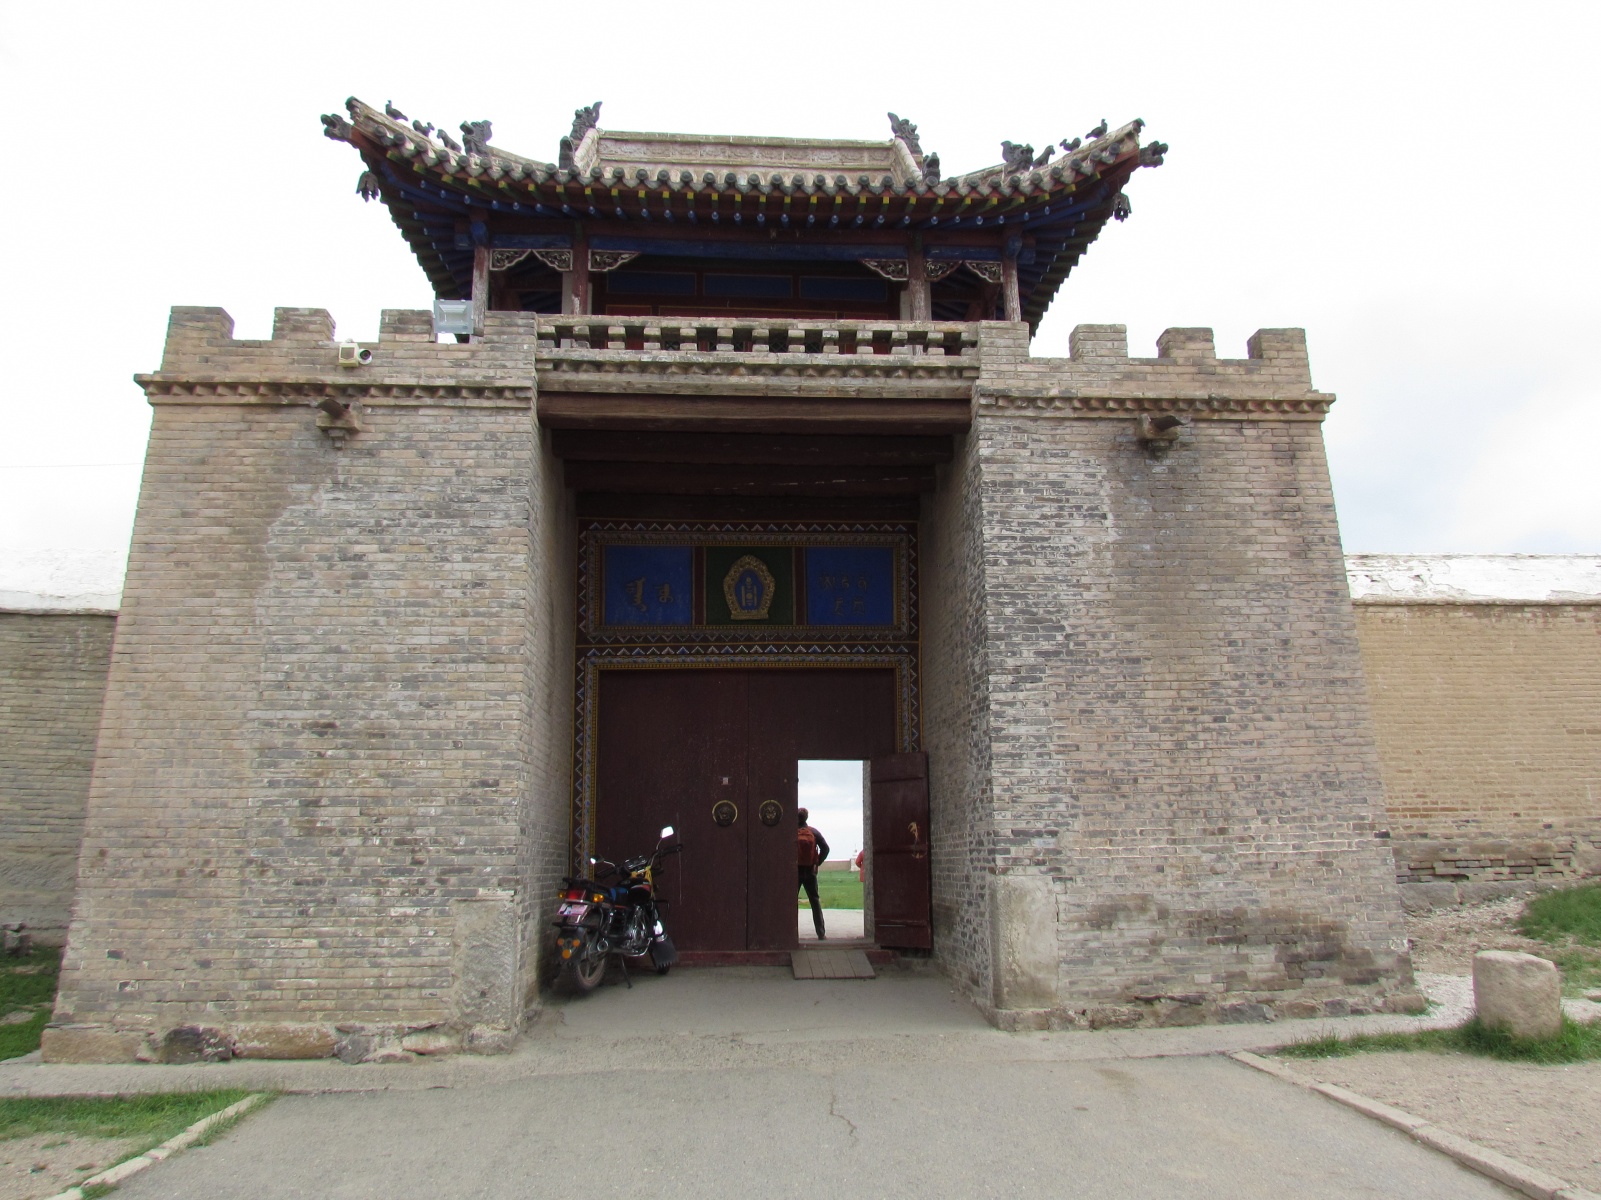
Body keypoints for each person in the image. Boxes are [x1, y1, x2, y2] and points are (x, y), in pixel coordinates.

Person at [796, 807, 830, 940]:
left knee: (792, 902)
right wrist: (817, 862)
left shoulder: (790, 832)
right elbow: (826, 848)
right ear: (806, 818)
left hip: (795, 871)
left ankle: (791, 933)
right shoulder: (813, 832)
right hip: (810, 871)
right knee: (815, 901)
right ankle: (821, 933)